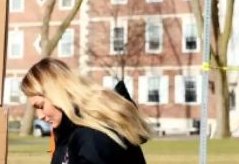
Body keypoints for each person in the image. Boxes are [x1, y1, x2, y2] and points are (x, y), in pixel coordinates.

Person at [22, 58, 151, 164]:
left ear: (57, 95)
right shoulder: (67, 131)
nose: (40, 116)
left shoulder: (93, 136)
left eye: (41, 106)